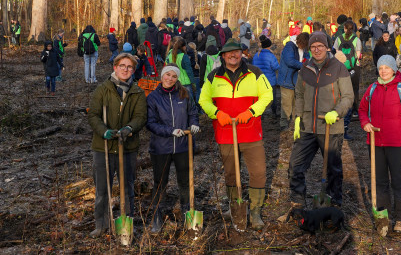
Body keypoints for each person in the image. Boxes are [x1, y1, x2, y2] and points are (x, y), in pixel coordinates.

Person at [198, 38, 273, 230]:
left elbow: (267, 95)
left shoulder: (254, 73)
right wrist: (216, 113)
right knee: (231, 173)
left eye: (237, 52)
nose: (233, 55)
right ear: (223, 55)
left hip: (251, 132)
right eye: (229, 53)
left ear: (242, 54)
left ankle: (255, 211)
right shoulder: (213, 76)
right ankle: (234, 206)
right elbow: (203, 99)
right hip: (225, 133)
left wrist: (251, 112)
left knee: (258, 172)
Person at [359, 55, 401, 233]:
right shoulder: (372, 88)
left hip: (396, 143)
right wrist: (365, 123)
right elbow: (362, 109)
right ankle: (384, 216)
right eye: (380, 68)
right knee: (379, 180)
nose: (383, 71)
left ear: (394, 69)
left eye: (387, 68)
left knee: (397, 180)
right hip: (375, 142)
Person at [289, 31, 354, 208]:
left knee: (333, 169)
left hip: (331, 127)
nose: (317, 50)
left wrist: (337, 112)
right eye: (313, 47)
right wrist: (297, 118)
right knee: (296, 165)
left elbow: (348, 96)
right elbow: (300, 94)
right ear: (309, 49)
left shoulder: (338, 68)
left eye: (320, 46)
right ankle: (297, 203)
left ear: (327, 47)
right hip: (308, 126)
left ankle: (334, 204)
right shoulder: (305, 68)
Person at [87, 53, 147, 237]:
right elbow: (93, 115)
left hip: (127, 148)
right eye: (122, 65)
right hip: (103, 147)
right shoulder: (102, 90)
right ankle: (102, 224)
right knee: (103, 189)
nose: (125, 69)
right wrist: (103, 130)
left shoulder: (137, 92)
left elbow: (141, 117)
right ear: (115, 67)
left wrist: (129, 128)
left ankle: (126, 222)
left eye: (129, 67)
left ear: (133, 70)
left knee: (127, 187)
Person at [146, 64, 200, 233]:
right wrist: (170, 131)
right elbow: (150, 123)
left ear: (178, 78)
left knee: (184, 181)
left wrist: (194, 124)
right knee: (160, 182)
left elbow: (193, 112)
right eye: (167, 75)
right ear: (162, 76)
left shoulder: (184, 93)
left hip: (184, 146)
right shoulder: (153, 97)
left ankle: (187, 212)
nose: (170, 79)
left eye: (174, 76)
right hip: (161, 147)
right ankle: (157, 215)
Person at [333, 21, 361, 140]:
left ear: (344, 28)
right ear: (353, 28)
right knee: (352, 91)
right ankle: (353, 111)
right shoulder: (356, 39)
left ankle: (337, 123)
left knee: (339, 92)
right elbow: (358, 55)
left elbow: (334, 52)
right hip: (354, 68)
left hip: (339, 68)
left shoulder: (338, 38)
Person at [252, 35, 280, 116]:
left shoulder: (256, 55)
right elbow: (276, 67)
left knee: (261, 98)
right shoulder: (271, 56)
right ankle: (274, 112)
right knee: (272, 98)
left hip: (259, 81)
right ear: (269, 46)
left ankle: (261, 114)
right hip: (270, 81)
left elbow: (253, 66)